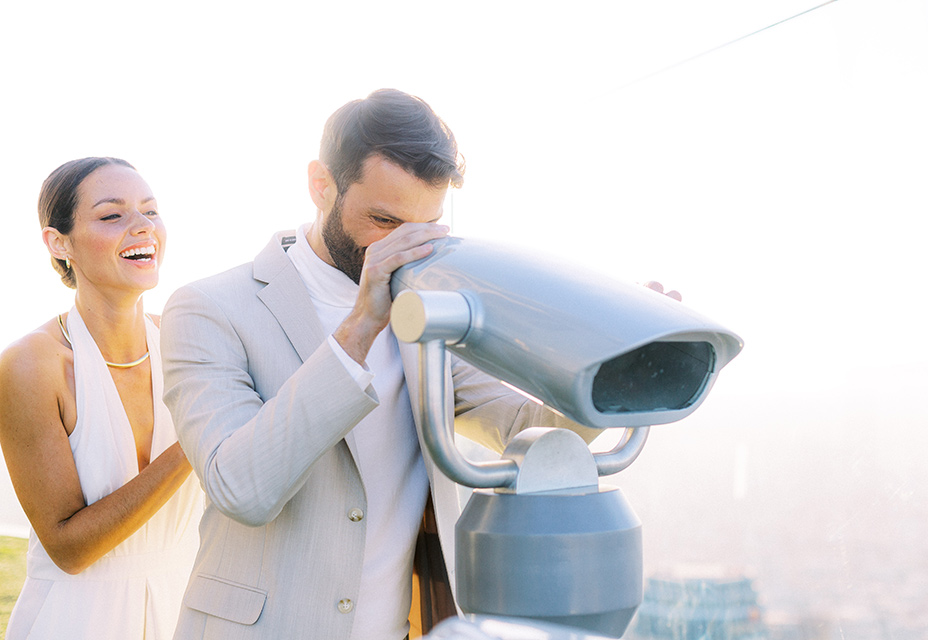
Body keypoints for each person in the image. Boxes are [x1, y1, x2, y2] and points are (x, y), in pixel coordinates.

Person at [159, 88, 602, 640]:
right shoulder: (208, 307)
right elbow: (241, 488)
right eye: (385, 221)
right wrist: (360, 327)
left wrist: (614, 372)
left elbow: (524, 433)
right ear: (322, 185)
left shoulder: (432, 312)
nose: (408, 246)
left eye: (426, 225)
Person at [0, 157, 204, 639]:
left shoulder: (186, 343)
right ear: (59, 242)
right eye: (112, 215)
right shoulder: (30, 366)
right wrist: (196, 441)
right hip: (77, 620)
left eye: (150, 212)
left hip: (184, 611)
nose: (142, 228)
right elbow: (69, 549)